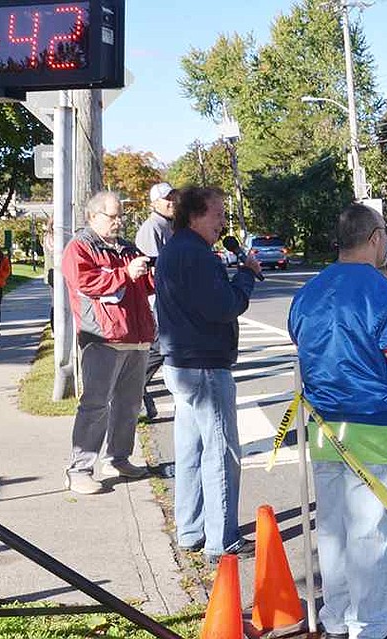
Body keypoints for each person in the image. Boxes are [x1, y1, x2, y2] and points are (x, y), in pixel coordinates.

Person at [289, 203, 387, 639]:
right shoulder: (385, 294)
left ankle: (336, 618)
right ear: (374, 238)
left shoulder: (309, 292)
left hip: (325, 429)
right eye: (384, 235)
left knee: (333, 531)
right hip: (374, 426)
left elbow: (300, 342)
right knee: (376, 534)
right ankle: (371, 627)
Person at [155, 186, 260, 561]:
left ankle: (191, 528)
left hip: (181, 363)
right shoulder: (196, 255)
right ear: (196, 215)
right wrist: (246, 276)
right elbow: (223, 306)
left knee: (190, 451)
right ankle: (221, 538)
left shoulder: (175, 250)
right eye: (217, 215)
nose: (222, 222)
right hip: (204, 365)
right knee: (220, 451)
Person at [62, 191, 154, 495]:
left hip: (136, 337)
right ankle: (80, 469)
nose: (118, 221)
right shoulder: (80, 248)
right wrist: (125, 273)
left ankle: (118, 458)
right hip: (102, 337)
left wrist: (150, 272)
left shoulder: (127, 248)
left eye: (120, 216)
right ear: (92, 216)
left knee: (128, 405)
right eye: (112, 216)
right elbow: (85, 282)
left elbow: (145, 286)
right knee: (95, 405)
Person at [135, 182, 177, 420]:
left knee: (164, 348)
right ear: (154, 203)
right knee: (160, 347)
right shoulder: (152, 228)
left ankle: (141, 397)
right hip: (157, 300)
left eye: (173, 197)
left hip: (171, 300)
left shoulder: (169, 226)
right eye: (166, 198)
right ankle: (133, 388)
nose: (172, 202)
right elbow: (153, 269)